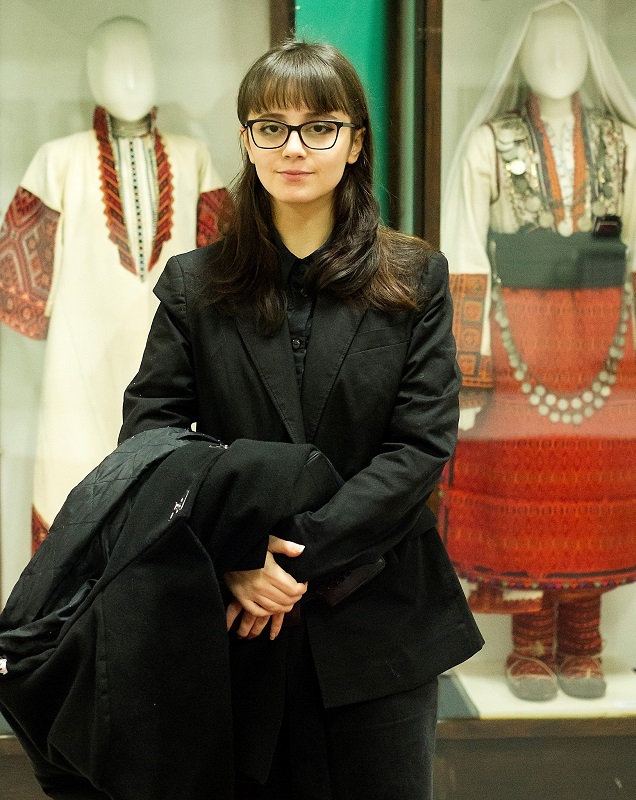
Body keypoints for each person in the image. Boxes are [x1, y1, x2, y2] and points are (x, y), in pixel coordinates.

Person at [119, 39, 483, 800]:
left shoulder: (413, 276)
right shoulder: (194, 285)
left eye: (319, 127)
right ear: (247, 141)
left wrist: (288, 559)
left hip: (379, 617)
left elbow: (419, 447)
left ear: (354, 142)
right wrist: (234, 555)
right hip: (234, 619)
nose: (293, 147)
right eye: (271, 127)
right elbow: (152, 438)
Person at [438, 0, 636, 702]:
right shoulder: (487, 145)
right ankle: (531, 645)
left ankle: (585, 644)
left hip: (605, 342)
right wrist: (469, 374)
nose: (556, 58)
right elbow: (464, 258)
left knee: (594, 498)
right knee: (522, 493)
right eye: (541, 44)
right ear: (518, 52)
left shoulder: (628, 146)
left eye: (570, 44)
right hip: (518, 339)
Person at [0, 16, 230, 550]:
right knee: (75, 488)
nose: (130, 76)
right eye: (114, 62)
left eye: (141, 61)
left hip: (173, 361)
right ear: (90, 71)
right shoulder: (58, 160)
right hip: (78, 365)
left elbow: (225, 273)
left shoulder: (193, 158)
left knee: (170, 494)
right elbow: (19, 291)